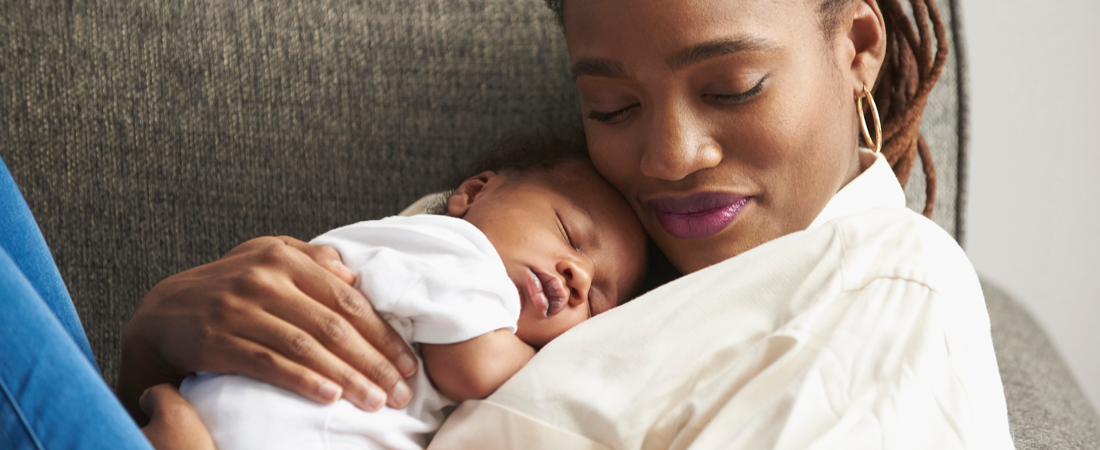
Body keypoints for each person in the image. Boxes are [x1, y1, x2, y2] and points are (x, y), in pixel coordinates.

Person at [0, 0, 1013, 448]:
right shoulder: (571, 233)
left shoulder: (878, 301)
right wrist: (158, 338)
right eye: (610, 107)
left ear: (858, 48)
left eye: (734, 86)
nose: (664, 157)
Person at [178, 135, 648, 450]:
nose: (578, 276)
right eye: (568, 233)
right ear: (474, 192)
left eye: (599, 300)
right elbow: (472, 368)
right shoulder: (454, 246)